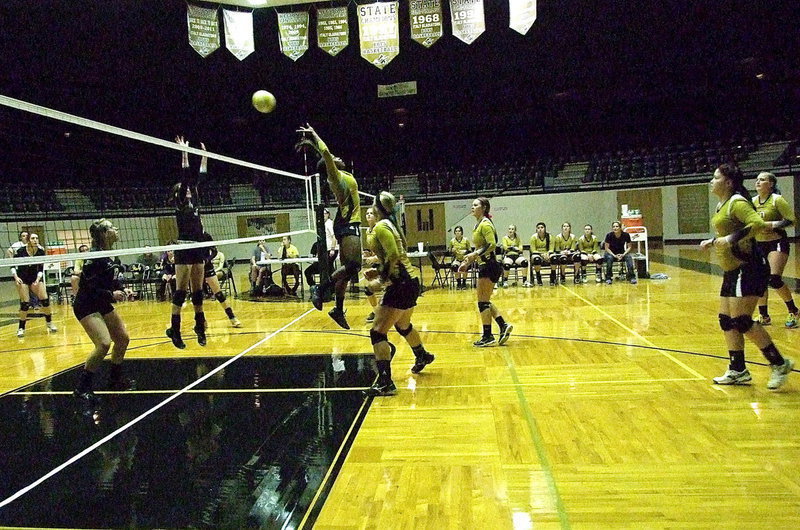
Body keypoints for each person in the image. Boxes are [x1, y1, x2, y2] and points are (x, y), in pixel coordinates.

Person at [699, 164, 793, 389]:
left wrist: (729, 239)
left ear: (728, 182)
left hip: (748, 268)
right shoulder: (722, 204)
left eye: (716, 178)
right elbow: (729, 232)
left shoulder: (737, 202)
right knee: (726, 321)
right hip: (732, 270)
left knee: (742, 320)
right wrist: (714, 241)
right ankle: (738, 369)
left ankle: (779, 364)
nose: (712, 181)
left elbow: (757, 224)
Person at [362, 191, 435, 396]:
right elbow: (394, 257)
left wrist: (380, 280)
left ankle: (386, 382)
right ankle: (422, 355)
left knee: (377, 332)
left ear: (378, 207)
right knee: (403, 325)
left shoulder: (382, 226)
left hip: (401, 284)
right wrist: (378, 270)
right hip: (409, 282)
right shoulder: (389, 225)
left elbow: (394, 255)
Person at [298, 124, 362, 330]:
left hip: (348, 222)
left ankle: (338, 309)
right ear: (330, 165)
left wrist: (311, 144)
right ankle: (320, 288)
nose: (337, 157)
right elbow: (326, 153)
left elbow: (327, 154)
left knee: (347, 271)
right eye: (334, 158)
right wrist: (314, 135)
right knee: (353, 266)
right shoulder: (335, 176)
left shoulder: (341, 174)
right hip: (347, 223)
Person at [72, 219, 133, 402]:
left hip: (101, 302)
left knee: (122, 338)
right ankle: (82, 388)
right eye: (112, 227)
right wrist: (111, 294)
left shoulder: (109, 255)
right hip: (86, 304)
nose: (117, 229)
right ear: (105, 233)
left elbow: (110, 280)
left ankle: (114, 380)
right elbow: (91, 289)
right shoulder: (94, 258)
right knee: (104, 344)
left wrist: (122, 288)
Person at [166, 136, 208, 349]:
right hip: (183, 247)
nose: (189, 190)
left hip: (198, 247)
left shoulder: (196, 200)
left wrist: (204, 156)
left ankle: (199, 326)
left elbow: (201, 177)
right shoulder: (181, 202)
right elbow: (185, 178)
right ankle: (175, 329)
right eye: (185, 189)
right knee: (181, 292)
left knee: (198, 292)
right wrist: (184, 152)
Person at [459, 197, 513, 347]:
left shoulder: (485, 224)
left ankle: (488, 336)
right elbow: (479, 248)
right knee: (485, 301)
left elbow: (492, 244)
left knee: (482, 302)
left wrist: (475, 254)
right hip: (485, 264)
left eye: (475, 205)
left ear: (483, 208)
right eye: (472, 204)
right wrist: (467, 262)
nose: (472, 207)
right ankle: (502, 325)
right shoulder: (478, 225)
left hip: (489, 266)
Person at [751, 172, 798, 328]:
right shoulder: (752, 202)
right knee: (759, 280)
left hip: (776, 242)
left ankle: (793, 311)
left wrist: (772, 225)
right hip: (759, 244)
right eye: (757, 179)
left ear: (770, 184)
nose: (758, 182)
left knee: (774, 279)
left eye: (762, 180)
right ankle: (764, 315)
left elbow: (791, 220)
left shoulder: (777, 200)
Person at [12, 233, 57, 337]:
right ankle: (21, 328)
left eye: (37, 238)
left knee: (45, 300)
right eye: (33, 238)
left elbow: (41, 268)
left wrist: (37, 279)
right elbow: (12, 265)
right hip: (22, 278)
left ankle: (49, 323)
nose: (35, 240)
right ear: (29, 240)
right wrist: (16, 277)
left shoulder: (40, 252)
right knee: (25, 304)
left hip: (34, 278)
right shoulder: (21, 251)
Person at [203, 240, 242, 328]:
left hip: (208, 268)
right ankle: (200, 320)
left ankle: (232, 317)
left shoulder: (205, 236)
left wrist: (207, 260)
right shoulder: (188, 236)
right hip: (195, 267)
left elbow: (214, 251)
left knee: (219, 294)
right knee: (196, 295)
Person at [362, 206, 380, 322]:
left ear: (376, 216)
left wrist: (375, 258)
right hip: (377, 263)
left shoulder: (379, 229)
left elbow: (385, 250)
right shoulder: (368, 231)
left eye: (371, 213)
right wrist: (368, 253)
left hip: (386, 263)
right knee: (369, 288)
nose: (368, 215)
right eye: (367, 213)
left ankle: (380, 312)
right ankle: (376, 311)